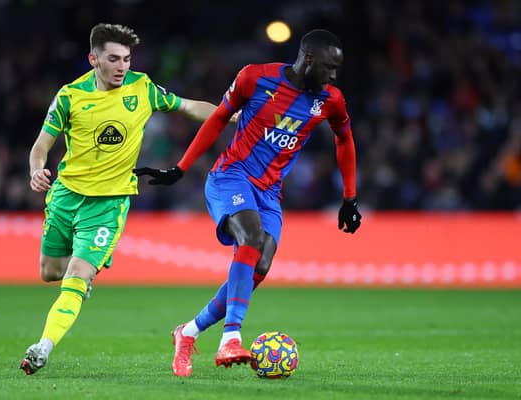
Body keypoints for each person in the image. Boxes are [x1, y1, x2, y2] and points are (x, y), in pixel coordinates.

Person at [134, 29, 362, 377]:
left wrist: (350, 197)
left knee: (262, 264)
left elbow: (344, 140)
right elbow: (217, 120)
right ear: (309, 59)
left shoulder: (331, 99)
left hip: (270, 193)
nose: (333, 76)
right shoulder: (256, 77)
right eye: (330, 67)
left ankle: (189, 331)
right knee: (252, 239)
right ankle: (231, 338)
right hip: (231, 176)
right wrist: (181, 167)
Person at [19, 23, 237, 375]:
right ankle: (79, 282)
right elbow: (40, 146)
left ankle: (42, 346)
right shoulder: (70, 96)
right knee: (50, 272)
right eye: (114, 59)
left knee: (76, 275)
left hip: (109, 203)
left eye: (127, 58)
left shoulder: (142, 87)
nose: (122, 66)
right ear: (94, 60)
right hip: (65, 196)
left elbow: (186, 106)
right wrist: (36, 170)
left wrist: (229, 115)